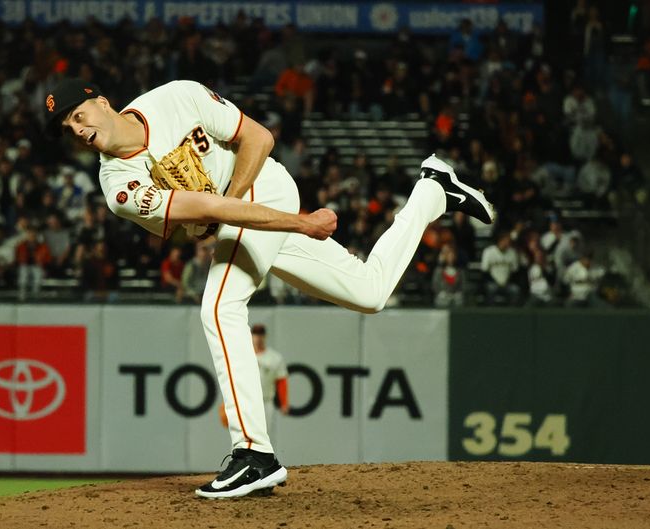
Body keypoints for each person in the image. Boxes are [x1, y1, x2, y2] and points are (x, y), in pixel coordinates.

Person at [43, 78, 495, 498]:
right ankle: (433, 190)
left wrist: (294, 220)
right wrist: (233, 216)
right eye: (67, 127)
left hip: (263, 189)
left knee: (219, 308)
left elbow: (259, 139)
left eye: (78, 115)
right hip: (246, 218)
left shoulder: (176, 96)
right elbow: (201, 208)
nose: (77, 129)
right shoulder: (119, 186)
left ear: (102, 102)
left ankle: (254, 454)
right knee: (370, 293)